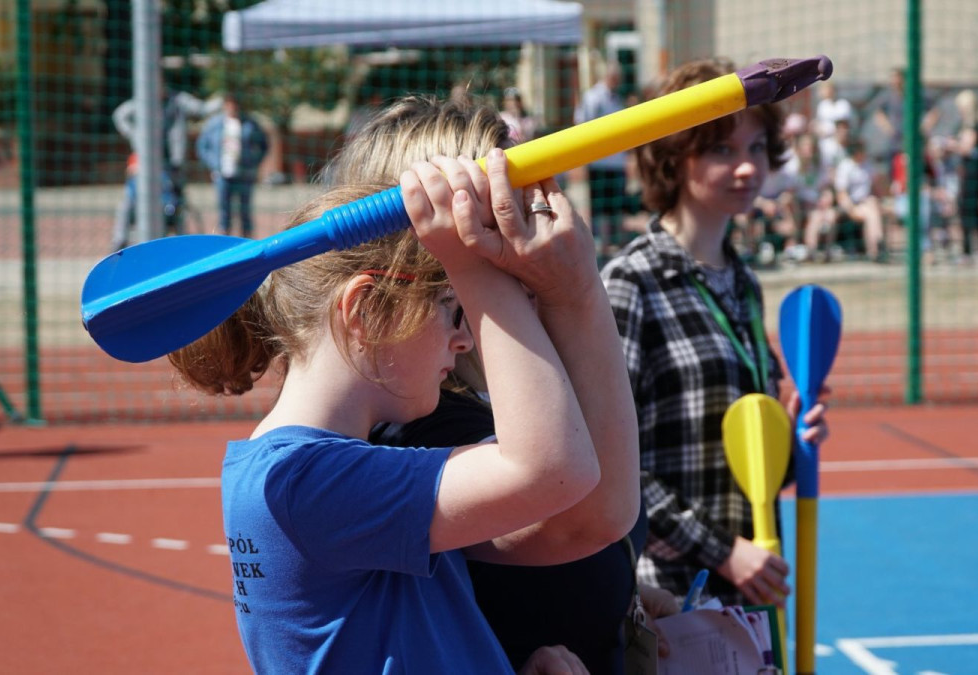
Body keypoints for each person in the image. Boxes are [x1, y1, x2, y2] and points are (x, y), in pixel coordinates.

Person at [168, 145, 629, 672]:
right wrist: (469, 263)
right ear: (366, 310)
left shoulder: (328, 472)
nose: (464, 341)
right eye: (451, 307)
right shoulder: (304, 481)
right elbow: (555, 469)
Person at [322, 95, 671, 675]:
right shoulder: (423, 417)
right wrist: (575, 290)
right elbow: (590, 518)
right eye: (508, 206)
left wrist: (627, 597)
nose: (536, 218)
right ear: (444, 243)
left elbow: (602, 538)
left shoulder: (520, 381)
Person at [601, 58, 830, 609]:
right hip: (666, 599)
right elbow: (611, 466)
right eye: (721, 150)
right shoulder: (630, 284)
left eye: (756, 148)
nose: (748, 168)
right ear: (674, 158)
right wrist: (722, 551)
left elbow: (757, 461)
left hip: (750, 588)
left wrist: (796, 430)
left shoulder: (744, 283)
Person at [110, 78, 221, 250]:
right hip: (146, 166)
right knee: (129, 202)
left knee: (176, 205)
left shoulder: (178, 101)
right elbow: (120, 115)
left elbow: (201, 108)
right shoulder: (142, 103)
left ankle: (181, 245)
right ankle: (120, 242)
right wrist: (135, 135)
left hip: (172, 166)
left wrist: (222, 99)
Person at [575, 58, 629, 257]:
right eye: (615, 76)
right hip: (600, 161)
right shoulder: (593, 97)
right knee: (600, 205)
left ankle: (619, 241)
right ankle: (603, 244)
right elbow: (582, 123)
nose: (618, 80)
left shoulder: (617, 98)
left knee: (617, 202)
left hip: (617, 161)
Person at [197, 94, 269, 237]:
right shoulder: (214, 124)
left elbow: (264, 145)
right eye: (229, 104)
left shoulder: (250, 124)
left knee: (245, 212)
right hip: (222, 175)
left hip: (244, 175)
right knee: (224, 213)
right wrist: (213, 164)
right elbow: (202, 146)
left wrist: (253, 162)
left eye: (234, 104)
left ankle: (247, 243)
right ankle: (226, 243)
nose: (232, 107)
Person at [947, 89, 978, 263]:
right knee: (966, 210)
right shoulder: (963, 124)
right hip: (966, 171)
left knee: (971, 210)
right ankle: (969, 250)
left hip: (976, 172)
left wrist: (952, 145)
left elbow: (966, 147)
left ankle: (977, 250)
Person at [835, 138, 887, 261]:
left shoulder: (867, 165)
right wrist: (851, 209)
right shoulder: (845, 166)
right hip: (850, 205)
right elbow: (841, 194)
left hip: (866, 203)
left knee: (873, 207)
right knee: (871, 212)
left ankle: (875, 248)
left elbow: (876, 187)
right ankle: (876, 246)